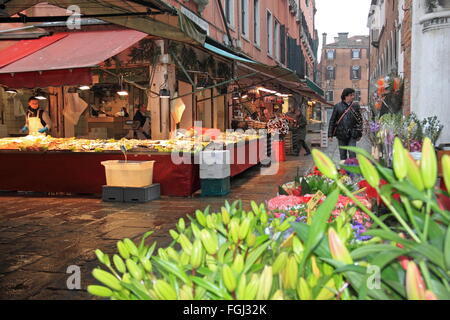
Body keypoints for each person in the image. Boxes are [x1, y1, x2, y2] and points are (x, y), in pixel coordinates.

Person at [328, 88, 363, 160]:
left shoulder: (356, 106)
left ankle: (353, 170)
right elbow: (332, 121)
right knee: (342, 155)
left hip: (352, 134)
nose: (353, 97)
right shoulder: (337, 106)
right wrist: (330, 134)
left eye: (353, 95)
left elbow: (360, 121)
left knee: (352, 153)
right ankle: (344, 170)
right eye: (351, 95)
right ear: (345, 96)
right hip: (341, 134)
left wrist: (359, 133)